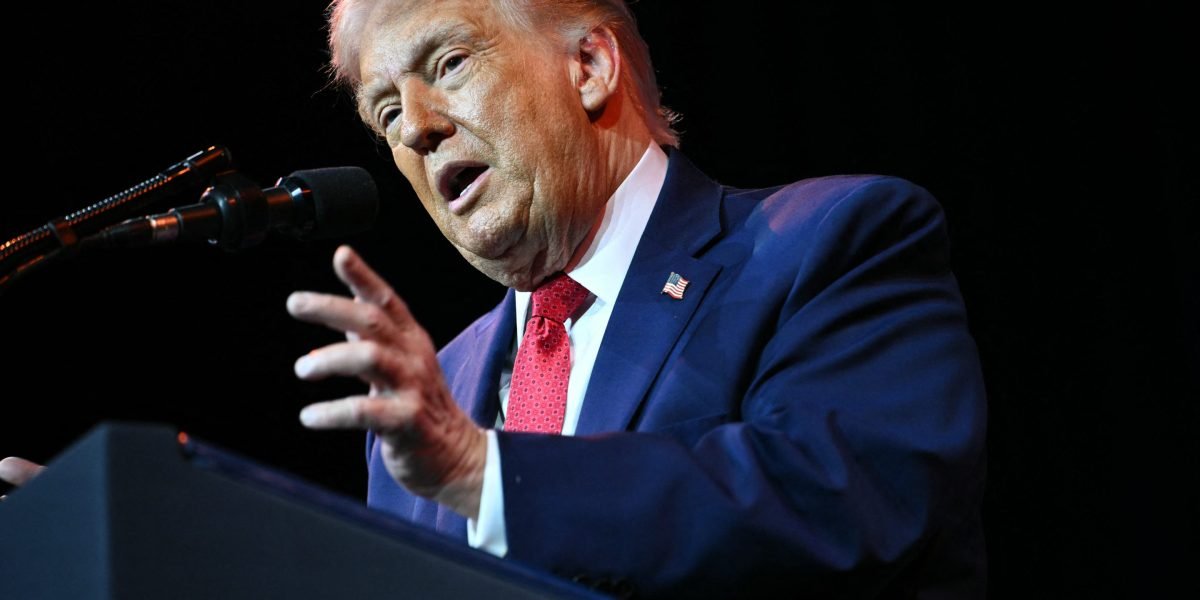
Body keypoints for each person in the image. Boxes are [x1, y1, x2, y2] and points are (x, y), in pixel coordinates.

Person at [4, 1, 988, 597]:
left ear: (590, 65)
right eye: (384, 112)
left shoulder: (830, 241)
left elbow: (846, 504)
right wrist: (168, 560)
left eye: (448, 63)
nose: (417, 128)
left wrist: (487, 477)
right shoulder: (441, 388)